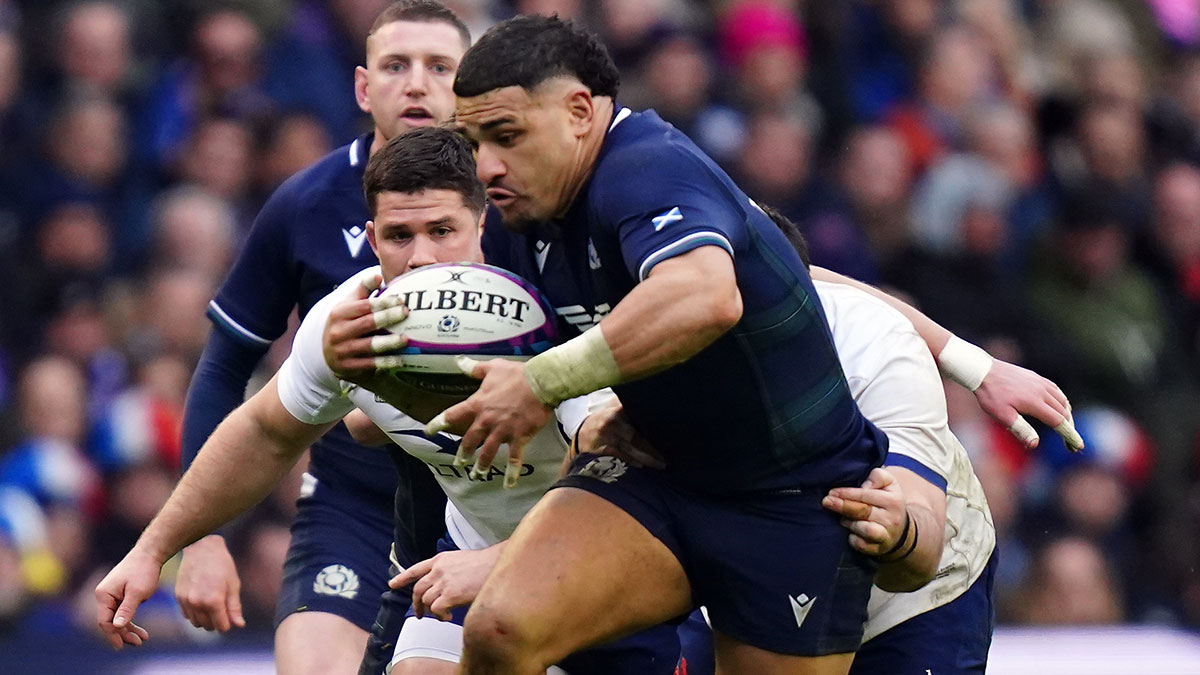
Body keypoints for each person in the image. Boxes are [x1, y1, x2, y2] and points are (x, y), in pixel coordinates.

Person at [95, 127, 682, 675]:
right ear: (372, 239)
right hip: (472, 550)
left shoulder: (548, 308)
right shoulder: (349, 325)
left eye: (443, 231)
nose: (421, 257)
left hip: (618, 554)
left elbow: (613, 461)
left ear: (482, 223)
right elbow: (266, 434)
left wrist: (501, 564)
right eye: (400, 236)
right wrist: (153, 550)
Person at [436, 15, 891, 674]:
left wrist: (542, 384)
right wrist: (588, 412)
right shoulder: (518, 223)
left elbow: (705, 295)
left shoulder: (647, 166)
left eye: (506, 136)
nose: (486, 167)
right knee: (500, 631)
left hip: (793, 501)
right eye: (472, 141)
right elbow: (549, 348)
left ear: (580, 112)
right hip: (658, 473)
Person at [172, 2, 469, 673]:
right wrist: (205, 537)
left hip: (488, 505)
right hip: (354, 503)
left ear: (468, 83)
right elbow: (224, 366)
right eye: (396, 66)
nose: (416, 83)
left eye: (439, 66)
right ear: (364, 87)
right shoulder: (305, 202)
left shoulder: (516, 197)